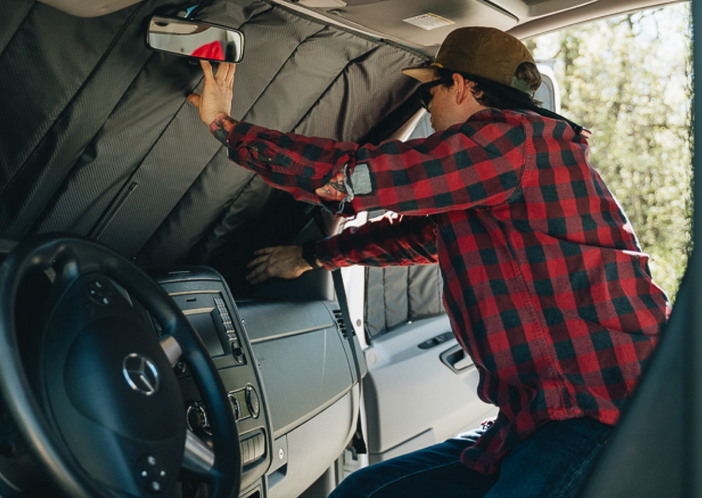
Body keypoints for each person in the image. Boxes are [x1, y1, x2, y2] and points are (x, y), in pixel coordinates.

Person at [187, 26, 671, 498]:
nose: (428, 111)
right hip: (536, 415)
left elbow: (354, 177)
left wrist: (225, 128)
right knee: (368, 490)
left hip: (601, 408)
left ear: (460, 86)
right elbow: (422, 238)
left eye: (429, 95)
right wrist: (312, 256)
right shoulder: (498, 166)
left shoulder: (510, 141)